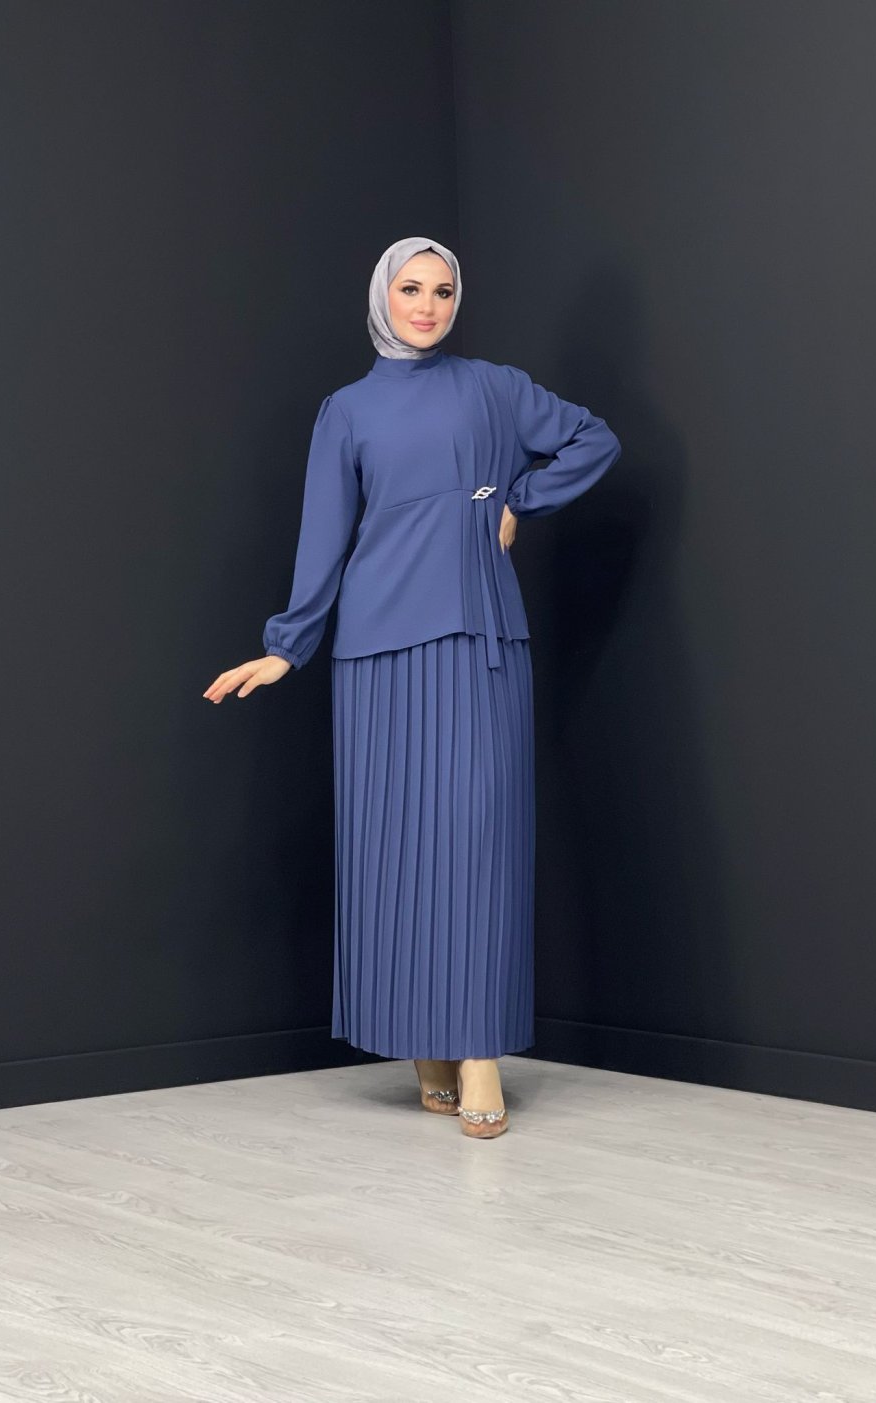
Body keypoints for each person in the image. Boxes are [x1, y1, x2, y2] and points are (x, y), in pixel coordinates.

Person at [203, 236, 620, 1139]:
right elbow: (325, 536)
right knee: (392, 849)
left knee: (479, 842)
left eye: (443, 290)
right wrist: (287, 646)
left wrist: (520, 501)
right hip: (376, 654)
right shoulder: (347, 410)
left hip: (478, 638)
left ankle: (477, 1049)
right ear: (381, 296)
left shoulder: (494, 387)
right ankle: (422, 1042)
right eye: (411, 288)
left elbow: (595, 438)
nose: (427, 306)